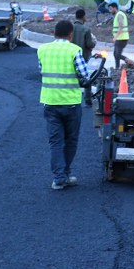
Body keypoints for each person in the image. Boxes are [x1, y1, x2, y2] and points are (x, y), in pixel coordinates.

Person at [37, 20, 89, 191]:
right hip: (71, 103)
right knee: (71, 141)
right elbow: (84, 75)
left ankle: (59, 178)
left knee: (55, 142)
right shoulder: (74, 50)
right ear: (70, 34)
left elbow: (41, 70)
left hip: (50, 102)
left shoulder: (42, 50)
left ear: (54, 32)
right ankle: (64, 174)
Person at [72, 8, 96, 106]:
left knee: (73, 77)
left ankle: (72, 98)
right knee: (87, 78)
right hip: (84, 57)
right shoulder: (86, 29)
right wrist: (94, 42)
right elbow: (89, 44)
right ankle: (87, 99)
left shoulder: (70, 28)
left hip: (71, 56)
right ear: (83, 17)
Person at [109, 2, 129, 70]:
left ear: (114, 8)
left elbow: (121, 25)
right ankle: (117, 68)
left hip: (122, 38)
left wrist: (115, 37)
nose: (110, 11)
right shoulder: (118, 14)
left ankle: (129, 61)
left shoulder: (120, 14)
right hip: (120, 38)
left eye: (111, 9)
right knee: (116, 54)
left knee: (117, 54)